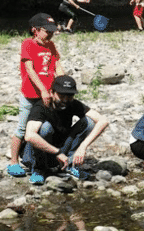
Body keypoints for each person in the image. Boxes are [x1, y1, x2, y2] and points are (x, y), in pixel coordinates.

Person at [22, 74, 109, 185]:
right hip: (37, 153)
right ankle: (39, 169)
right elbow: (29, 136)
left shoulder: (73, 104)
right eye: (61, 96)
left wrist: (83, 147)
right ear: (52, 93)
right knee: (45, 128)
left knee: (89, 122)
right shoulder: (41, 107)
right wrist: (57, 152)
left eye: (69, 96)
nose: (65, 100)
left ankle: (69, 165)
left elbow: (103, 121)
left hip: (60, 147)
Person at [7, 13, 62, 178]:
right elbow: (30, 70)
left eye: (52, 31)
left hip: (47, 96)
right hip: (30, 95)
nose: (50, 34)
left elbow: (58, 66)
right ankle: (13, 162)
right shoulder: (28, 44)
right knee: (23, 128)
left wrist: (62, 86)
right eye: (47, 31)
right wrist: (43, 90)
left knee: (43, 129)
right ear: (35, 30)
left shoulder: (51, 46)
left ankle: (40, 161)